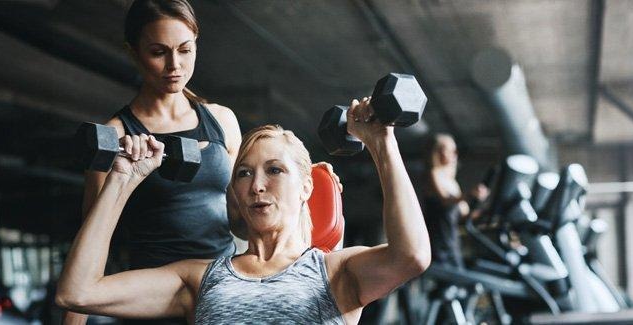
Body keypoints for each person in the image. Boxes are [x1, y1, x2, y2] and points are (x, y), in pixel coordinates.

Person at [56, 98, 431, 324]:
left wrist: (382, 144)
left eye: (275, 170)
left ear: (306, 186)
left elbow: (411, 255)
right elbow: (78, 292)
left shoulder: (335, 273)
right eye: (244, 173)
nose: (256, 185)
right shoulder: (198, 279)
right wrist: (124, 176)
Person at [65, 1, 241, 324]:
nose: (175, 65)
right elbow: (92, 246)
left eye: (185, 50)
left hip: (222, 295)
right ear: (133, 52)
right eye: (159, 52)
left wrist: (305, 182)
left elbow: (247, 214)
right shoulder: (117, 136)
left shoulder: (222, 121)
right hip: (157, 301)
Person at [422, 134, 486, 269]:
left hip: (451, 242)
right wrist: (469, 195)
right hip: (437, 242)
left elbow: (464, 213)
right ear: (437, 152)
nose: (454, 153)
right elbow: (445, 200)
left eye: (454, 150)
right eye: (448, 149)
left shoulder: (453, 183)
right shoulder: (434, 174)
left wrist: (483, 209)